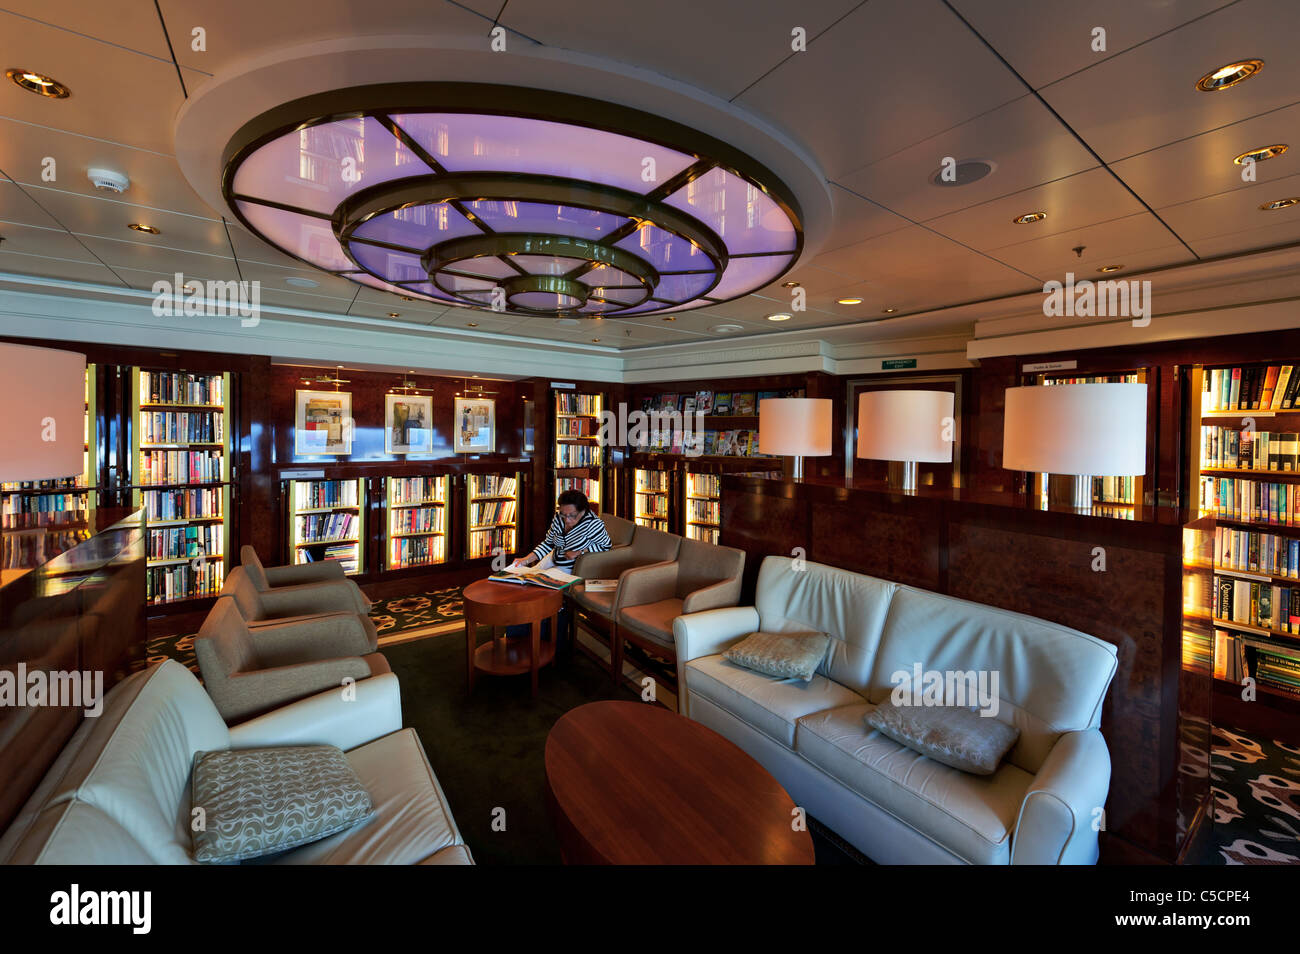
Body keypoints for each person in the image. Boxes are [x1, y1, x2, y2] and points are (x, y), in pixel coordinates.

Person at [508, 489, 610, 652]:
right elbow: (548, 543)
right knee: (523, 581)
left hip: (572, 566)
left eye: (572, 515)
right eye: (563, 514)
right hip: (553, 557)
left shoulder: (594, 524)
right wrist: (526, 559)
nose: (567, 520)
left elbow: (605, 547)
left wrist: (580, 551)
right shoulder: (559, 518)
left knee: (540, 589)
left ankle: (540, 639)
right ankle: (519, 636)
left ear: (583, 511)